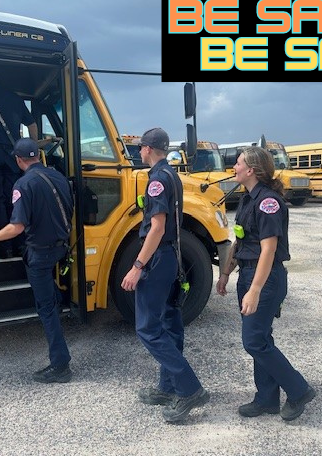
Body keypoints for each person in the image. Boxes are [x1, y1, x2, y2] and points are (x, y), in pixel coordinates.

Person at [216, 146, 315, 422]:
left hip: (265, 277)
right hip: (247, 273)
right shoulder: (248, 199)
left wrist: (255, 290)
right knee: (261, 337)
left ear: (251, 170)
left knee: (254, 341)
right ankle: (267, 399)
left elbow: (268, 250)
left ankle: (299, 389)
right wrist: (226, 273)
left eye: (237, 163)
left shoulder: (268, 202)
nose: (233, 167)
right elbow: (241, 239)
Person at [121, 127, 209, 423]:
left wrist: (137, 266)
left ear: (148, 149)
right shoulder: (171, 174)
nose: (139, 152)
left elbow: (157, 227)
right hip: (172, 255)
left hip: (158, 258)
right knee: (170, 321)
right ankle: (168, 387)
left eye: (141, 148)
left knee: (148, 328)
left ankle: (189, 389)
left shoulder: (157, 179)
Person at [0, 138, 73, 384]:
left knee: (46, 310)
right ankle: (57, 299)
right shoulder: (59, 177)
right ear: (39, 156)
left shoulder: (23, 184)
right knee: (51, 296)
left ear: (19, 160)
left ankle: (61, 366)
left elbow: (16, 227)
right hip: (60, 249)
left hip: (39, 255)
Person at [0, 73, 39, 258]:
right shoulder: (14, 97)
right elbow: (32, 125)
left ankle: (4, 247)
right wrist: (32, 147)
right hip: (12, 154)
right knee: (13, 198)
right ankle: (20, 244)